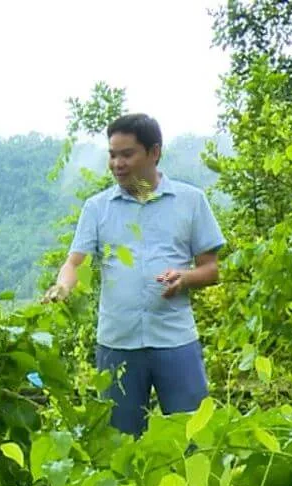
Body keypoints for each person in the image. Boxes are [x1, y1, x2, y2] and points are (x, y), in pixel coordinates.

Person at [43, 113, 225, 437]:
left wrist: (185, 278)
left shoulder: (191, 201)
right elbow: (75, 264)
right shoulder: (97, 208)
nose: (117, 164)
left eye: (127, 154)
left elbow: (211, 269)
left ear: (154, 152)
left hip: (175, 340)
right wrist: (62, 287)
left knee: (192, 438)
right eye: (112, 155)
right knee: (119, 443)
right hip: (117, 342)